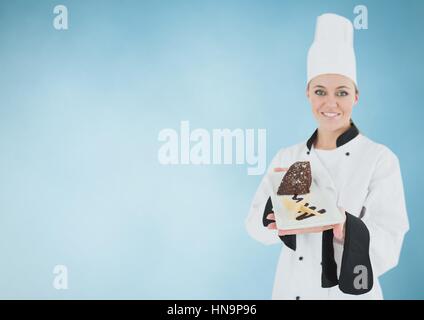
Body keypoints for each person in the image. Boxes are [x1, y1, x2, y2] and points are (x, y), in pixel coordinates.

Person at [245, 13, 409, 300]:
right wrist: (274, 215)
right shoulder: (289, 157)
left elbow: (390, 243)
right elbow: (254, 228)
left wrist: (345, 227)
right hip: (291, 290)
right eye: (320, 91)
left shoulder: (379, 159)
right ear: (308, 93)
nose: (330, 103)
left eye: (342, 93)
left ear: (355, 97)